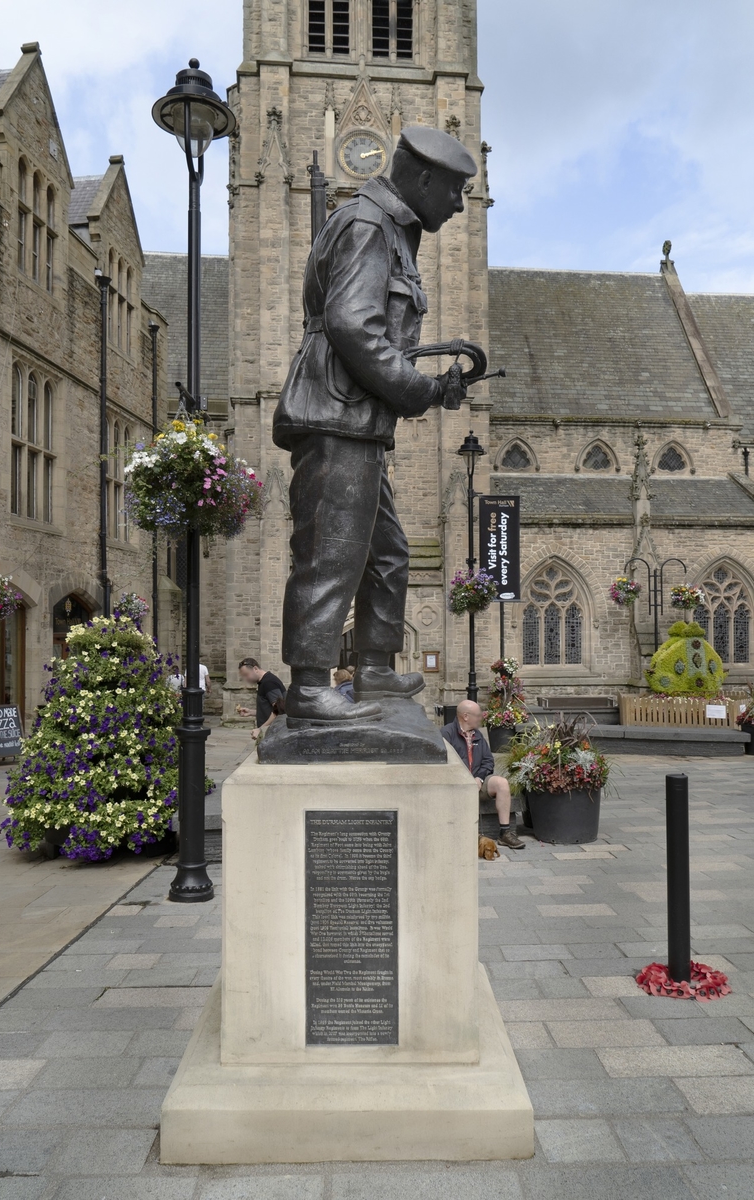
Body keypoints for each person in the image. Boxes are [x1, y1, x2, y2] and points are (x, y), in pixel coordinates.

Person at [273, 126, 478, 726]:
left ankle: (375, 668)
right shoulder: (367, 225)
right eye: (456, 190)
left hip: (359, 423)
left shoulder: (390, 229)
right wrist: (421, 391)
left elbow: (373, 336)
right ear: (422, 180)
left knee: (387, 552)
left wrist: (432, 382)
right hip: (336, 421)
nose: (461, 204)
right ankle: (310, 685)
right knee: (331, 553)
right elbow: (354, 326)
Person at [441, 700, 525, 850]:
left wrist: (479, 778)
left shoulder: (478, 735)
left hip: (478, 781)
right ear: (466, 716)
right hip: (456, 785)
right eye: (478, 715)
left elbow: (488, 761)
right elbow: (444, 763)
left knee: (502, 783)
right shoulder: (447, 733)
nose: (481, 718)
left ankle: (505, 833)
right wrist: (465, 780)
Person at [237, 657, 286, 740]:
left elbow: (278, 710)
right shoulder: (263, 682)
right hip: (270, 733)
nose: (246, 679)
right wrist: (251, 712)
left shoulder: (269, 683)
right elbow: (271, 709)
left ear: (255, 668)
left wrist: (260, 729)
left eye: (246, 675)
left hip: (273, 735)